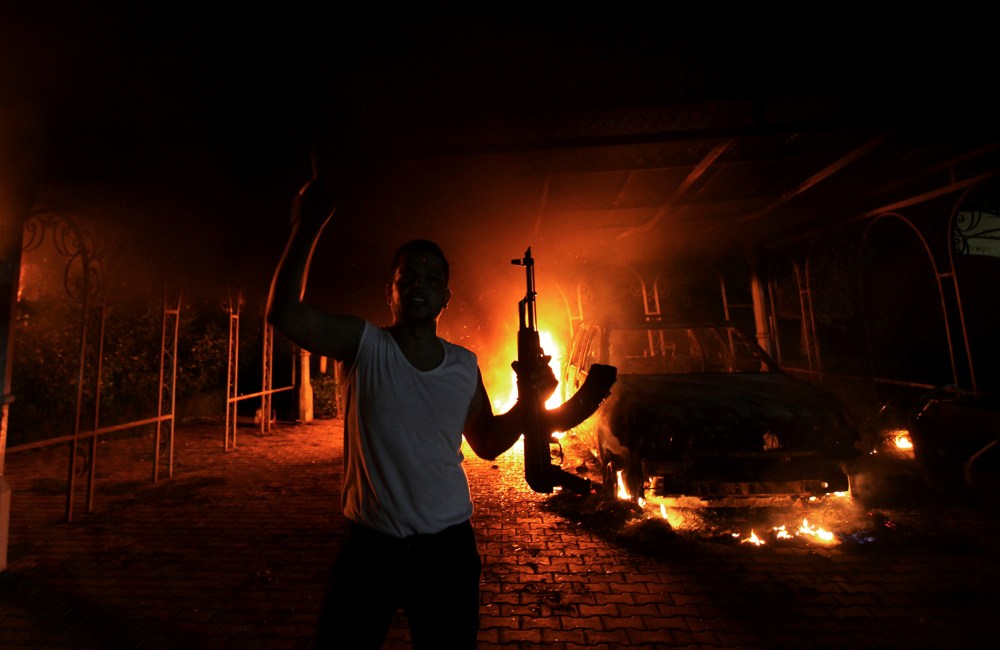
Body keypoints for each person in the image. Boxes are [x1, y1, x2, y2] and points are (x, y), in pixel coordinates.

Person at [266, 170, 556, 649]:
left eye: (431, 279)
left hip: (447, 551)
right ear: (391, 291)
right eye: (408, 277)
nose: (419, 284)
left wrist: (531, 402)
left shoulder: (464, 365)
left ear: (445, 297)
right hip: (368, 549)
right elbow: (285, 313)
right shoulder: (363, 346)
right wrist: (308, 226)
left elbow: (486, 443)